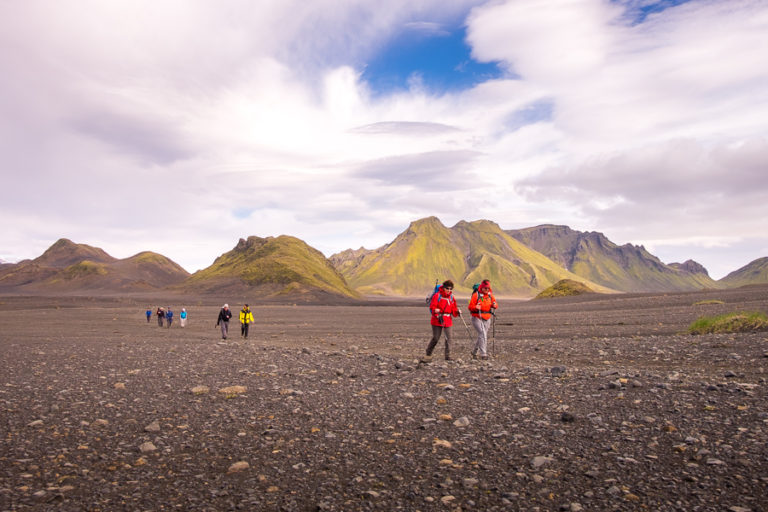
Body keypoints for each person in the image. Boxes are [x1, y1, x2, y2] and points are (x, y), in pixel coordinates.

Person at [425, 280, 461, 361]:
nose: (449, 290)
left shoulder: (452, 297)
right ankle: (428, 352)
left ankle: (448, 356)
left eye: (451, 289)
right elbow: (432, 307)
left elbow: (454, 309)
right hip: (437, 319)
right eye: (447, 288)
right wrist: (435, 311)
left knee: (449, 338)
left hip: (447, 320)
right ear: (443, 288)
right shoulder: (437, 296)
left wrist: (457, 312)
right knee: (436, 338)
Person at [468, 279, 498, 360]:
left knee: (482, 335)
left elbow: (494, 303)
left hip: (487, 317)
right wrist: (475, 307)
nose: (486, 290)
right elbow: (470, 307)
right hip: (477, 317)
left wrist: (494, 305)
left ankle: (474, 351)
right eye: (485, 288)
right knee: (483, 334)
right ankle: (483, 354)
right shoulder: (476, 295)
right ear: (481, 287)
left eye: (488, 288)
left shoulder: (490, 295)